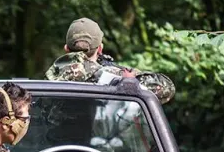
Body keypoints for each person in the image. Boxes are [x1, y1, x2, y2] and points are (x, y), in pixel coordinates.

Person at [45, 17, 175, 104]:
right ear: (100, 48)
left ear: (66, 49)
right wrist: (130, 80)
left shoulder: (46, 81)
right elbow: (166, 88)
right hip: (96, 144)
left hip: (52, 145)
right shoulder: (111, 77)